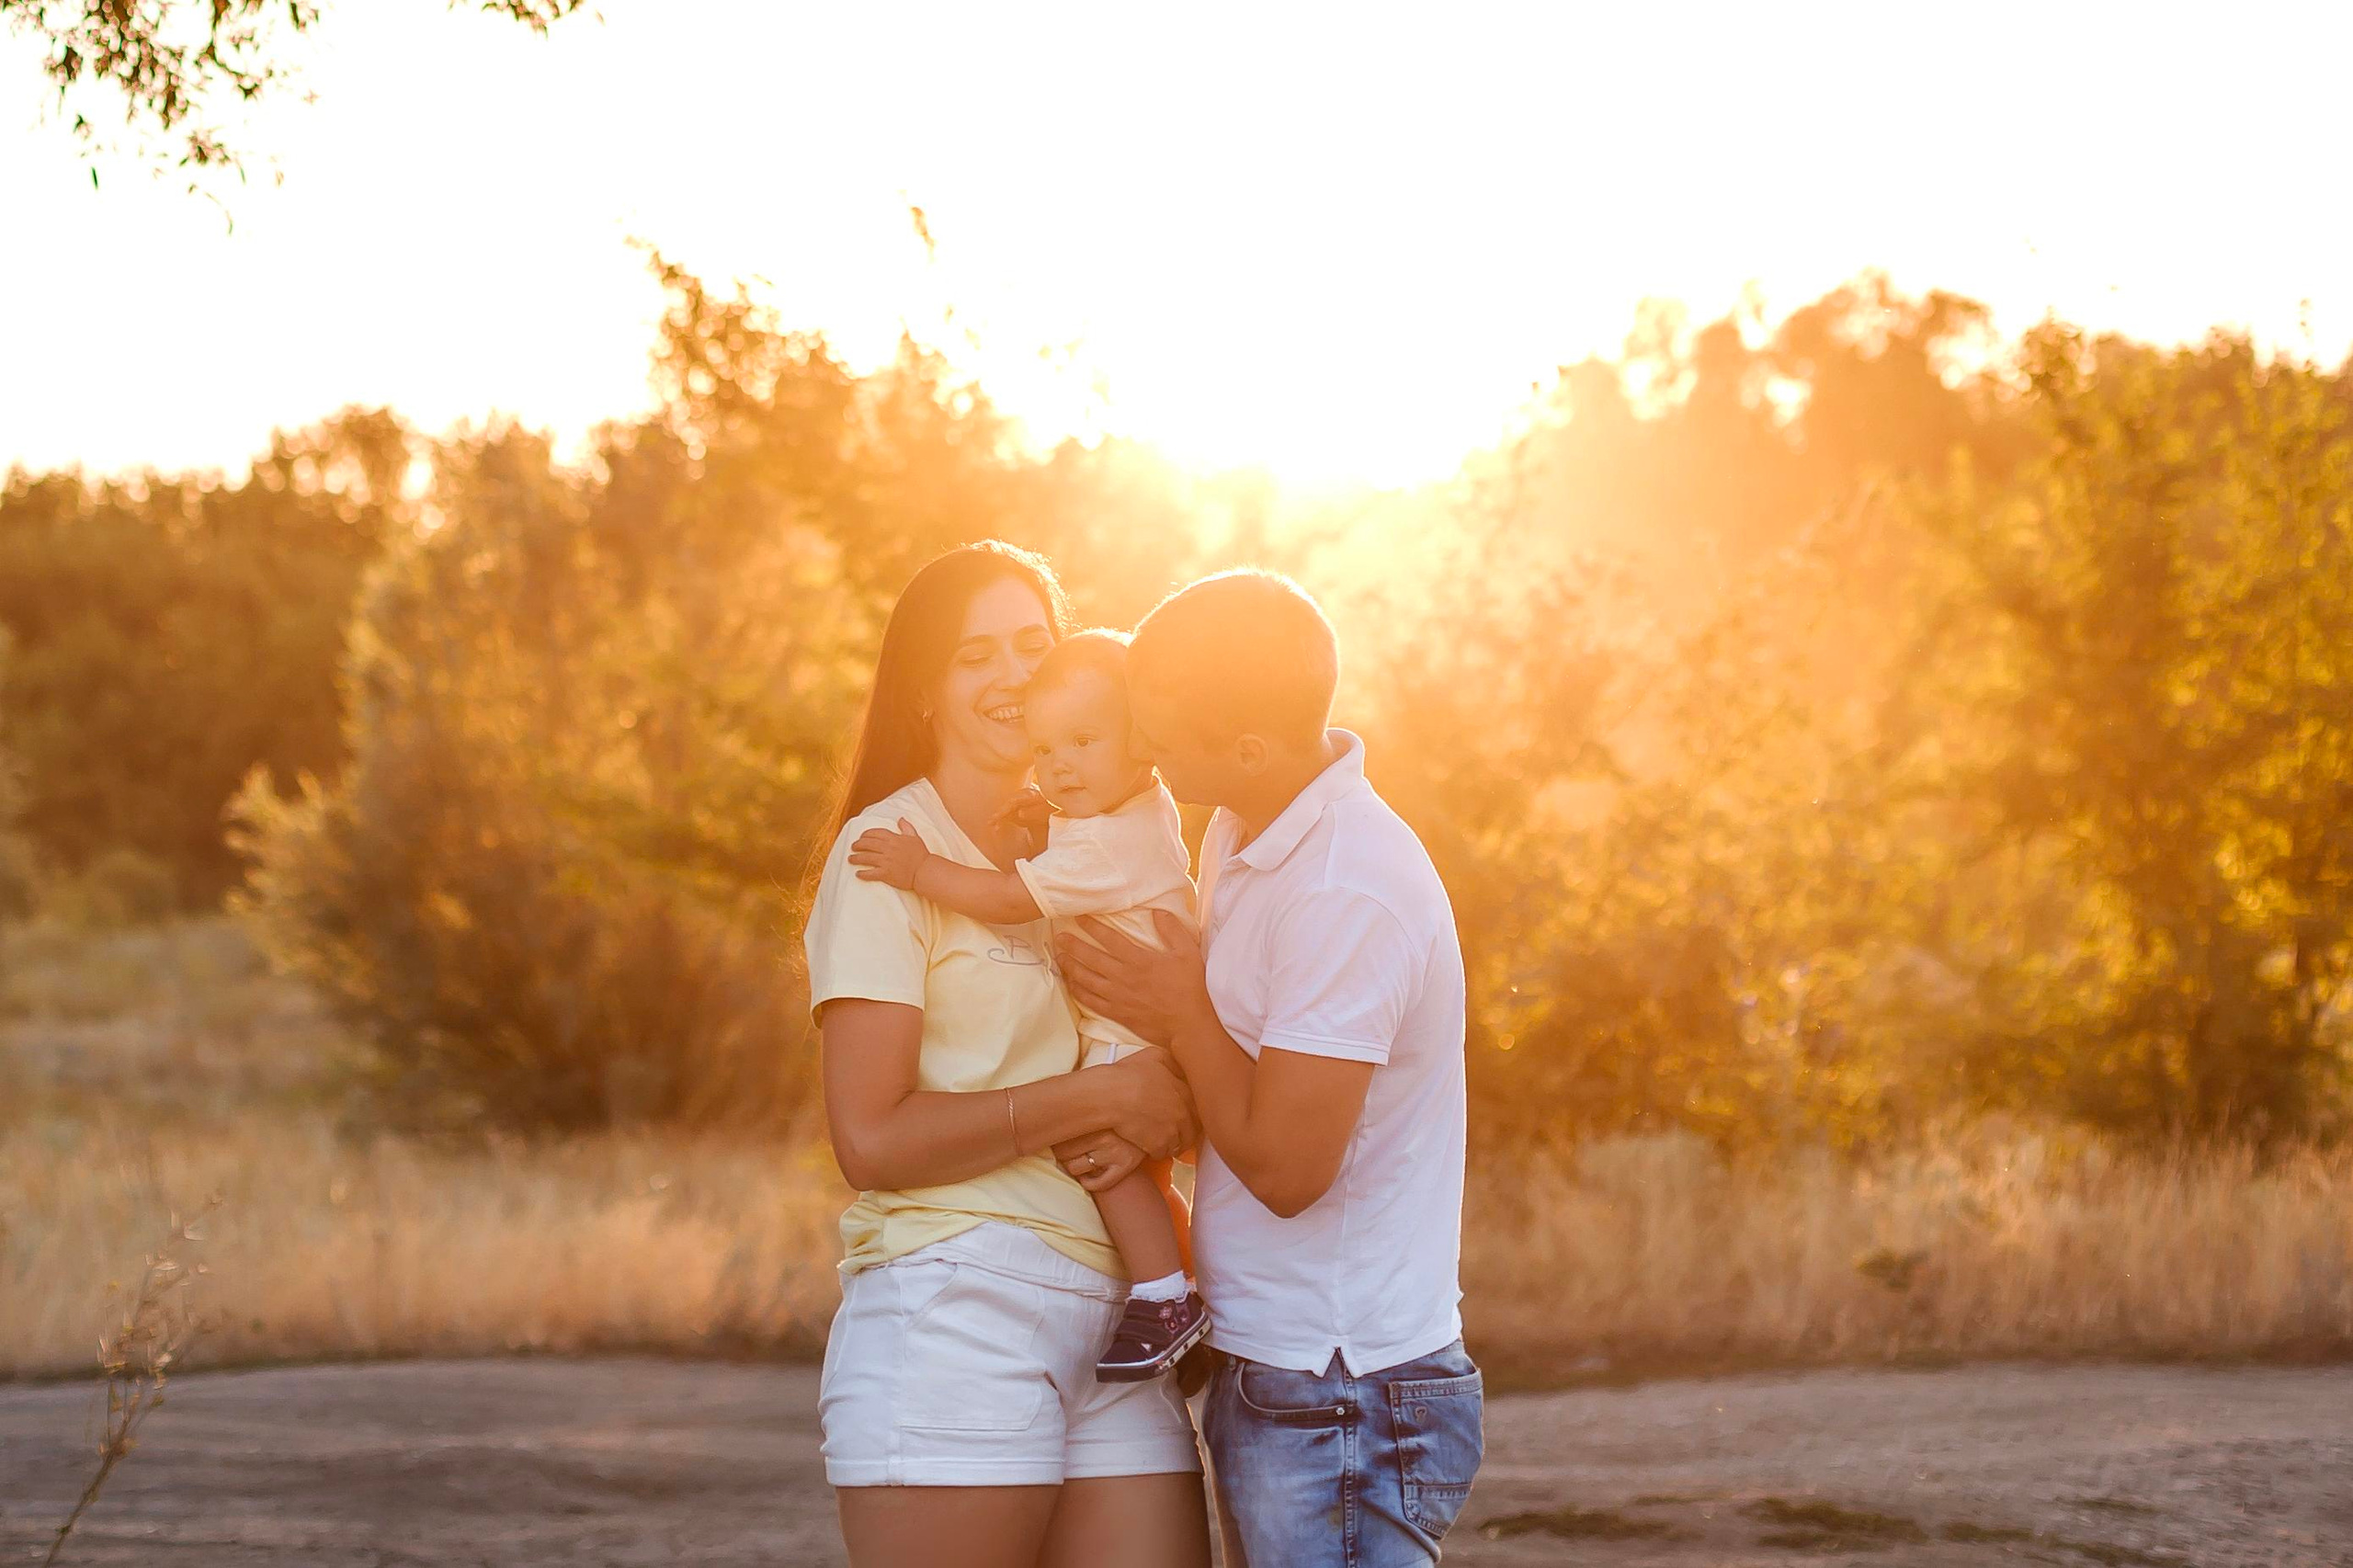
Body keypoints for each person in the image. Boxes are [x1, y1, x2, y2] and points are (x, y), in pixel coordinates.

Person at [1056, 569, 1483, 1567]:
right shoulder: (1244, 829)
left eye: (1157, 731)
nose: (1140, 748)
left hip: (1340, 1389)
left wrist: (1179, 1011)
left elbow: (1291, 1170)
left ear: (1245, 748)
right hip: (1285, 1369)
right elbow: (1251, 1082)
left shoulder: (1346, 887)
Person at [805, 541, 1213, 1568]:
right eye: (974, 654)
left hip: (1120, 1315)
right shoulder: (886, 856)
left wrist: (1170, 1097)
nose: (1013, 674)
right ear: (928, 691)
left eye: (1033, 643)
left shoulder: (1105, 838)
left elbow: (1168, 1077)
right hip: (957, 1304)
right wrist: (1097, 1096)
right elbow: (871, 1140)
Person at [847, 629, 1211, 1381]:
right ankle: (1181, 1283)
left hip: (1123, 1038)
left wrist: (921, 868)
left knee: (1106, 1167)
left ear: (1141, 741)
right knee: (1139, 1176)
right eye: (1046, 750)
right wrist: (1043, 832)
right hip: (1142, 1030)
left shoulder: (1104, 847)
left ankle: (1165, 1296)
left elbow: (1012, 902)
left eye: (1082, 742)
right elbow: (1076, 873)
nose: (1059, 768)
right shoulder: (1139, 811)